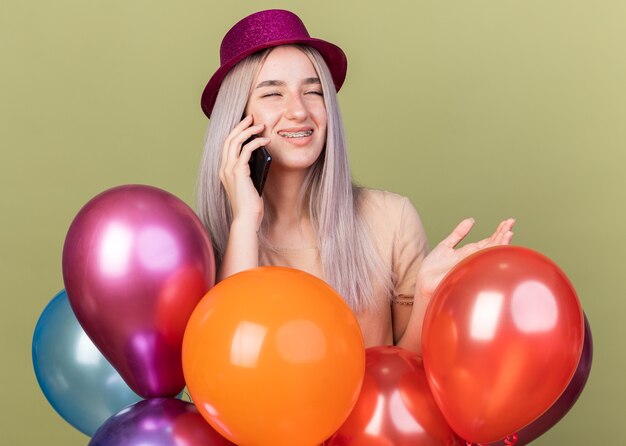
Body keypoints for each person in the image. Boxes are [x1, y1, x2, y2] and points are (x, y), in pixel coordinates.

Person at [196, 9, 514, 354]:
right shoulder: (205, 246)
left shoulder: (391, 220)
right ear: (237, 118)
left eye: (314, 91)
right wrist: (245, 221)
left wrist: (426, 295)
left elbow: (407, 378)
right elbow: (228, 362)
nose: (299, 111)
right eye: (273, 94)